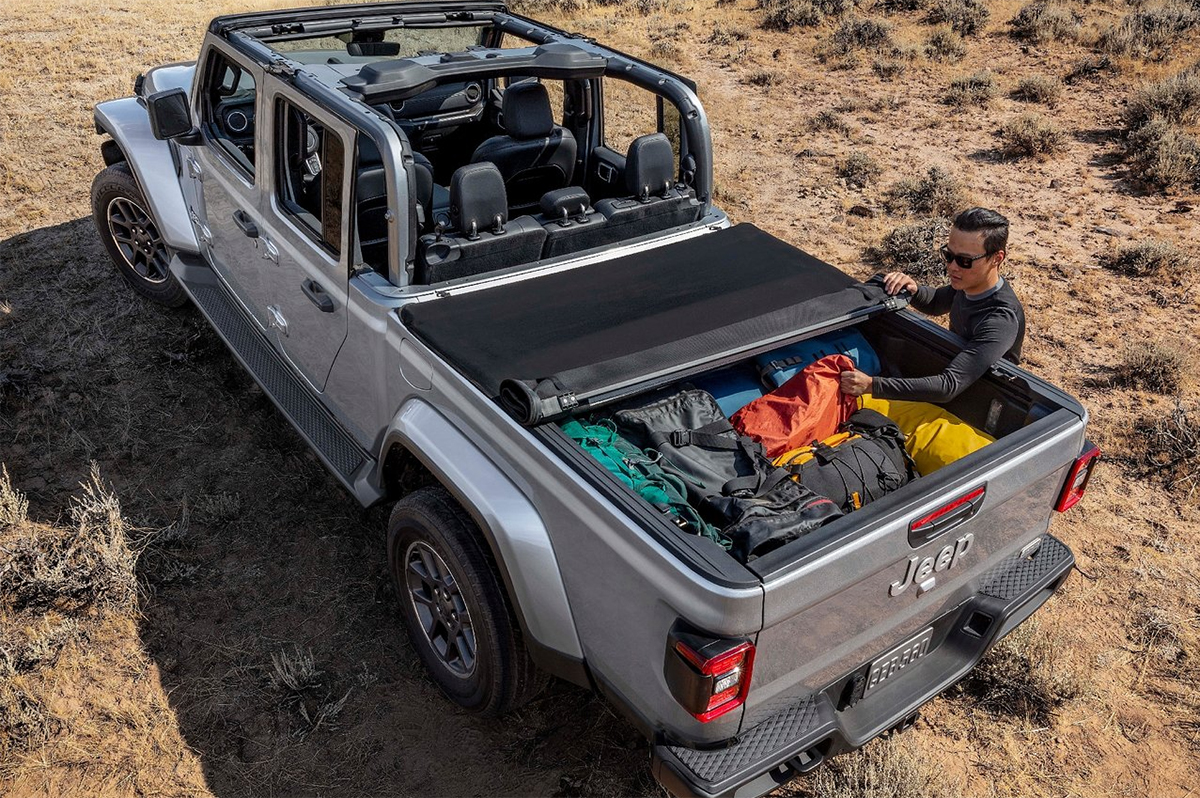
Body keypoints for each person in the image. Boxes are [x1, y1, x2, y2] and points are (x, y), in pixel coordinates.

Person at [839, 207, 1025, 404]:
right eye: (949, 255)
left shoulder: (1001, 319)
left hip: (981, 399)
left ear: (996, 258)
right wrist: (913, 288)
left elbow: (948, 386)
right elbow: (937, 302)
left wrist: (872, 385)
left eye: (964, 260)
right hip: (959, 378)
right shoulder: (969, 283)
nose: (952, 266)